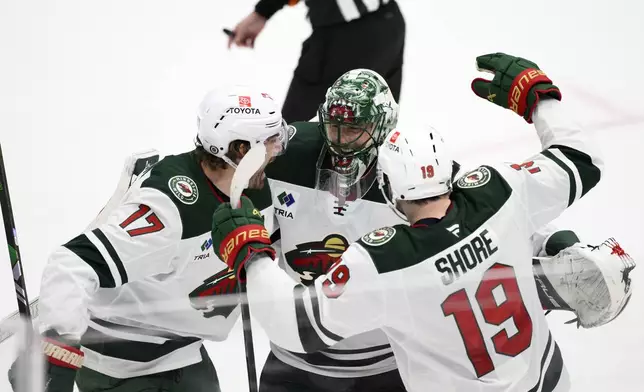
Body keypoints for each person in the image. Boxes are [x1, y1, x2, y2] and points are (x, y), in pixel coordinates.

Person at [209, 53, 635, 391]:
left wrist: (251, 255)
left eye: (355, 129)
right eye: (335, 125)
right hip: (541, 376)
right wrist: (548, 248)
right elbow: (558, 182)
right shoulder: (491, 193)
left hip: (374, 363)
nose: (341, 139)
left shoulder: (386, 258)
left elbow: (297, 324)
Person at [8, 86, 289, 392]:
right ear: (238, 149)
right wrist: (56, 352)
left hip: (182, 352)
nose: (278, 152)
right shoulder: (170, 206)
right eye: (270, 144)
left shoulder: (256, 185)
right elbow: (70, 264)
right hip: (121, 368)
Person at [229, 0, 406, 123]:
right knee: (371, 132)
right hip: (387, 23)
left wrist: (263, 11)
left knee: (293, 138)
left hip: (346, 36)